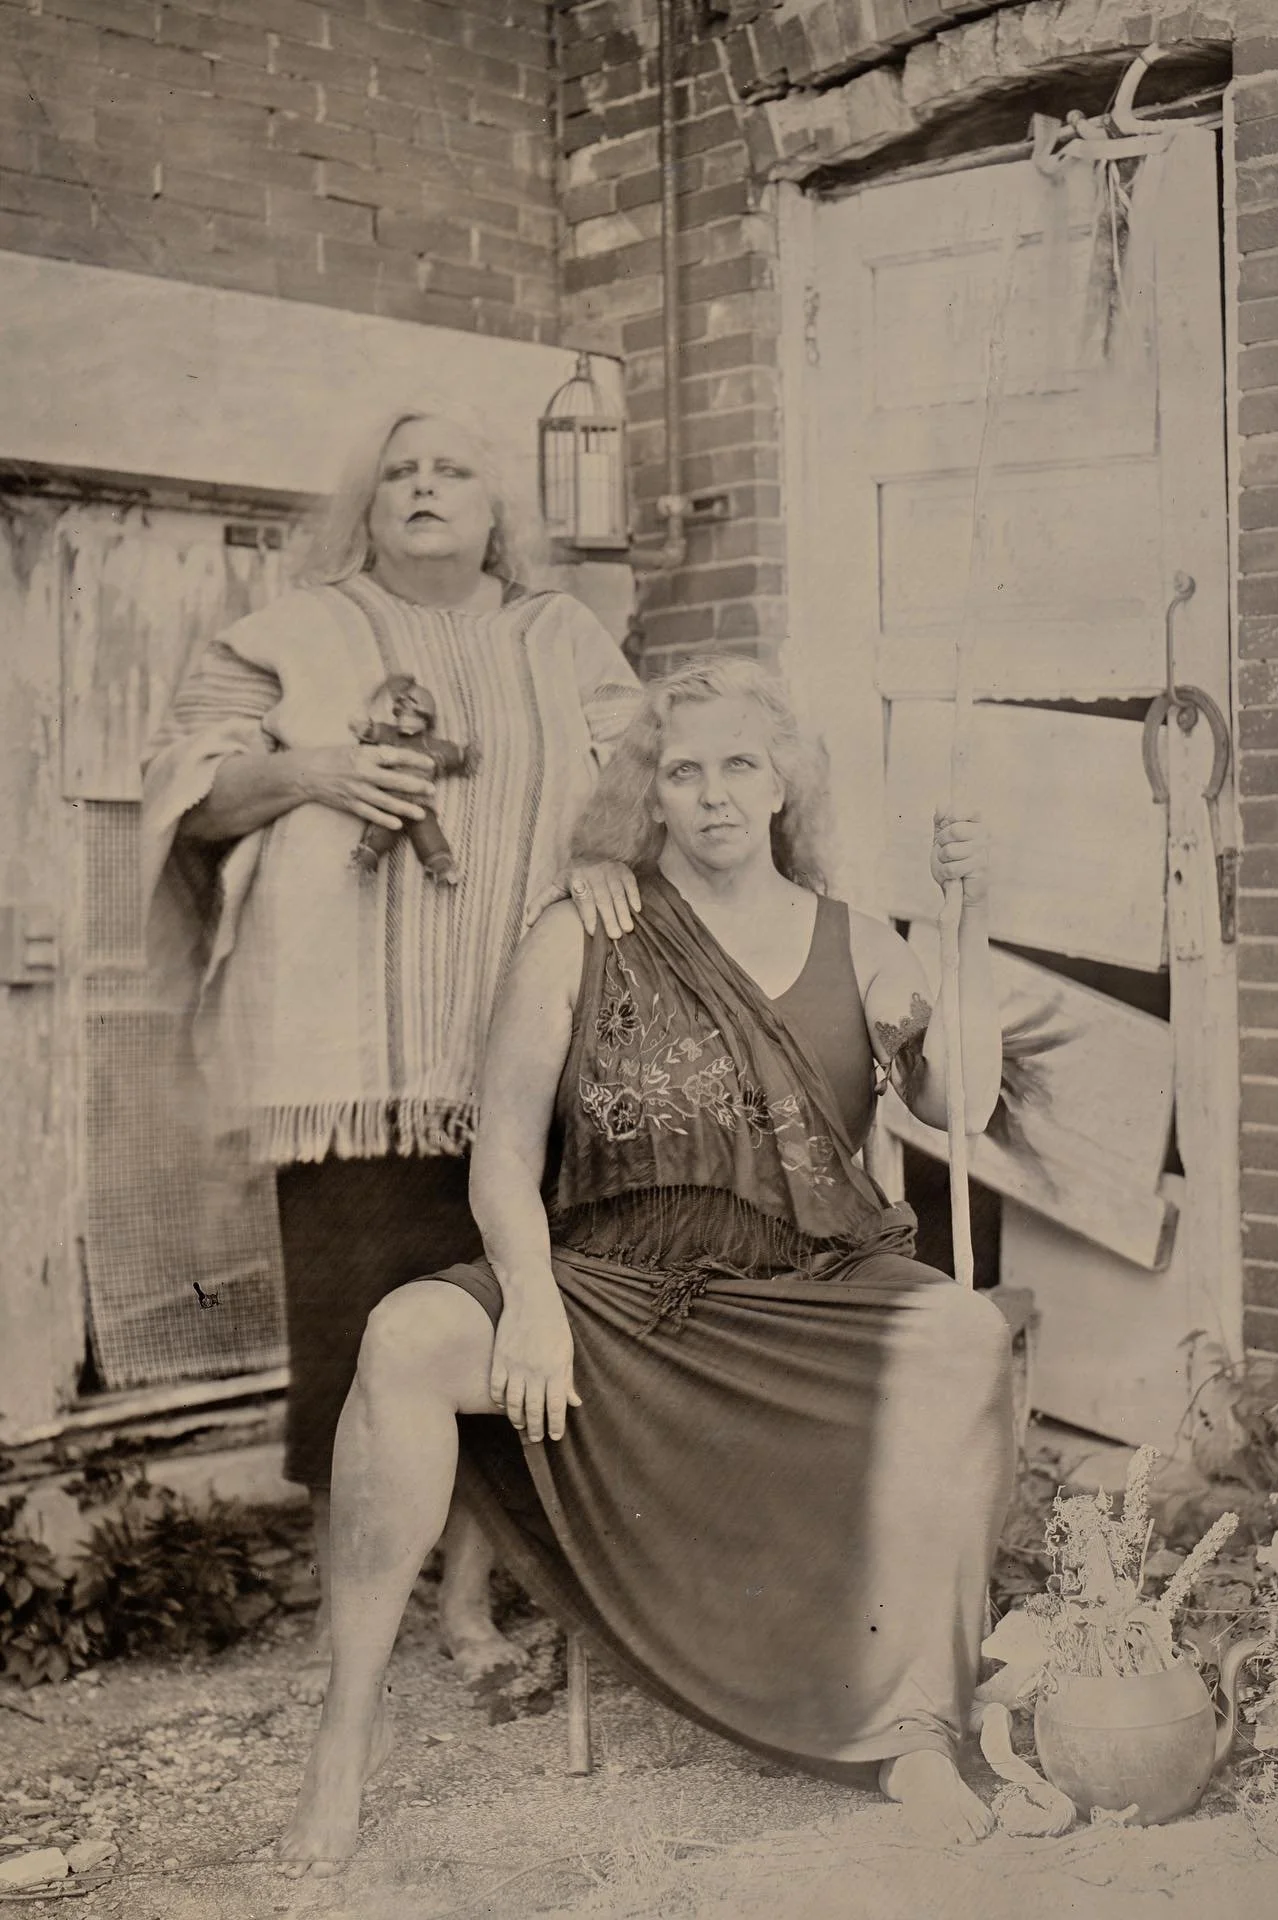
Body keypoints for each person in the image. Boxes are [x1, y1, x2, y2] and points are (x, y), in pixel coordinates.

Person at [278, 656, 1016, 1874]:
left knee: (968, 1338)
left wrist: (968, 929)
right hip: (621, 1289)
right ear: (649, 794)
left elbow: (963, 1104)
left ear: (782, 785)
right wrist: (530, 1303)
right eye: (683, 771)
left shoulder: (863, 942)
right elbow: (502, 1158)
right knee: (405, 1336)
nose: (713, 795)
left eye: (740, 766)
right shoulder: (582, 931)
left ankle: (916, 1731)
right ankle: (345, 1736)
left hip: (809, 1286)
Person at [142, 405, 645, 1699]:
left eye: (452, 470)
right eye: (400, 472)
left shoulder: (562, 636)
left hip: (525, 1063)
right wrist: (311, 771)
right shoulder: (293, 633)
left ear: (498, 509)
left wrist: (604, 846)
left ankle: (470, 1612)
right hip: (348, 1073)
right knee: (352, 1349)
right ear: (365, 507)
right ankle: (353, 1617)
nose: (424, 487)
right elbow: (189, 795)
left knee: (500, 1329)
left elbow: (641, 774)